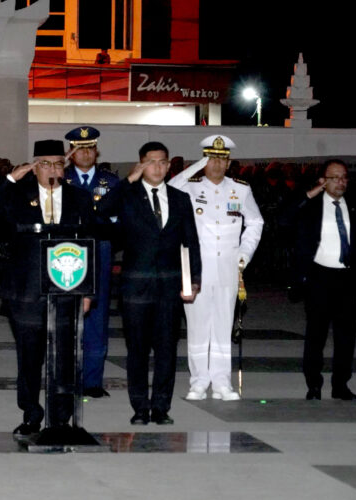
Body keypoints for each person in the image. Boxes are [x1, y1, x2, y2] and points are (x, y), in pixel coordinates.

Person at [0, 139, 96, 438]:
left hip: (67, 288)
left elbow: (90, 244)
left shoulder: (80, 198)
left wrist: (88, 290)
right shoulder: (17, 195)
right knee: (30, 357)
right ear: (33, 167)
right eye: (45, 164)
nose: (52, 169)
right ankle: (31, 413)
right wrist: (8, 180)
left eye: (58, 163)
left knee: (65, 358)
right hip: (26, 290)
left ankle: (60, 418)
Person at [168, 135, 264, 401]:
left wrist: (244, 254)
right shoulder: (190, 186)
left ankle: (222, 382)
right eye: (211, 158)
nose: (217, 164)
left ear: (229, 161)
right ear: (203, 160)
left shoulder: (240, 189)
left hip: (228, 266)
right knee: (198, 326)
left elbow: (256, 222)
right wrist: (195, 167)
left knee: (223, 325)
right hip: (197, 267)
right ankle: (198, 381)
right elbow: (169, 188)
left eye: (222, 159)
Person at [117, 141, 201, 425]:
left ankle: (161, 407)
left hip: (169, 285)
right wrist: (128, 179)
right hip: (136, 285)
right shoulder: (128, 196)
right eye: (151, 162)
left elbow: (191, 242)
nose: (158, 167)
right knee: (137, 350)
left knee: (166, 349)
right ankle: (140, 408)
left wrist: (194, 280)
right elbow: (101, 210)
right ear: (141, 164)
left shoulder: (180, 199)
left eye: (163, 162)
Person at [284, 159, 356, 401]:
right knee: (316, 335)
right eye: (335, 177)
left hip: (348, 278)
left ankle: (341, 385)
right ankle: (313, 384)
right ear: (323, 180)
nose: (341, 182)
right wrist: (311, 193)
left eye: (344, 177)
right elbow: (285, 218)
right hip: (319, 277)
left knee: (346, 337)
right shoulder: (311, 205)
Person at [63, 126, 120, 398]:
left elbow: (118, 219)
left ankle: (92, 381)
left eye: (90, 148)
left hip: (100, 250)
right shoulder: (60, 178)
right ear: (71, 153)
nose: (85, 153)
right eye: (79, 148)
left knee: (96, 314)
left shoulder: (111, 181)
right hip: (65, 252)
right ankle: (64, 377)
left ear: (96, 151)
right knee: (65, 314)